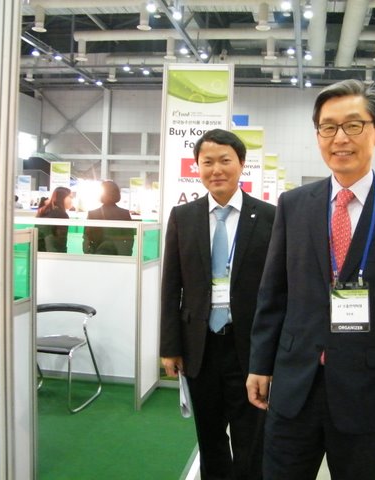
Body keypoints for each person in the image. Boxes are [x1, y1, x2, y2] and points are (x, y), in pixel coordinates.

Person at [246, 79, 375, 480]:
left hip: (366, 393)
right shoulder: (294, 204)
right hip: (294, 386)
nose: (340, 138)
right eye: (328, 127)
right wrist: (260, 364)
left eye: (353, 125)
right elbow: (274, 294)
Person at [160, 129, 276, 480]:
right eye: (207, 162)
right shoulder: (183, 216)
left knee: (251, 437)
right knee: (209, 436)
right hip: (200, 346)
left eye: (225, 160)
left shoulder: (270, 216)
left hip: (249, 348)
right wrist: (170, 347)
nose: (216, 169)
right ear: (197, 167)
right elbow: (171, 286)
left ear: (241, 163)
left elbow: (278, 289)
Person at [83, 180, 136, 255]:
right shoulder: (125, 214)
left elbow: (87, 239)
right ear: (117, 194)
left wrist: (89, 254)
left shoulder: (92, 214)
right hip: (120, 257)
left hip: (97, 256)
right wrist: (125, 256)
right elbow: (130, 239)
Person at [36, 186, 72, 253]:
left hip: (39, 252)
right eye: (70, 197)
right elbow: (60, 241)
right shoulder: (61, 214)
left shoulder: (44, 211)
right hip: (52, 254)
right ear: (62, 197)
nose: (71, 200)